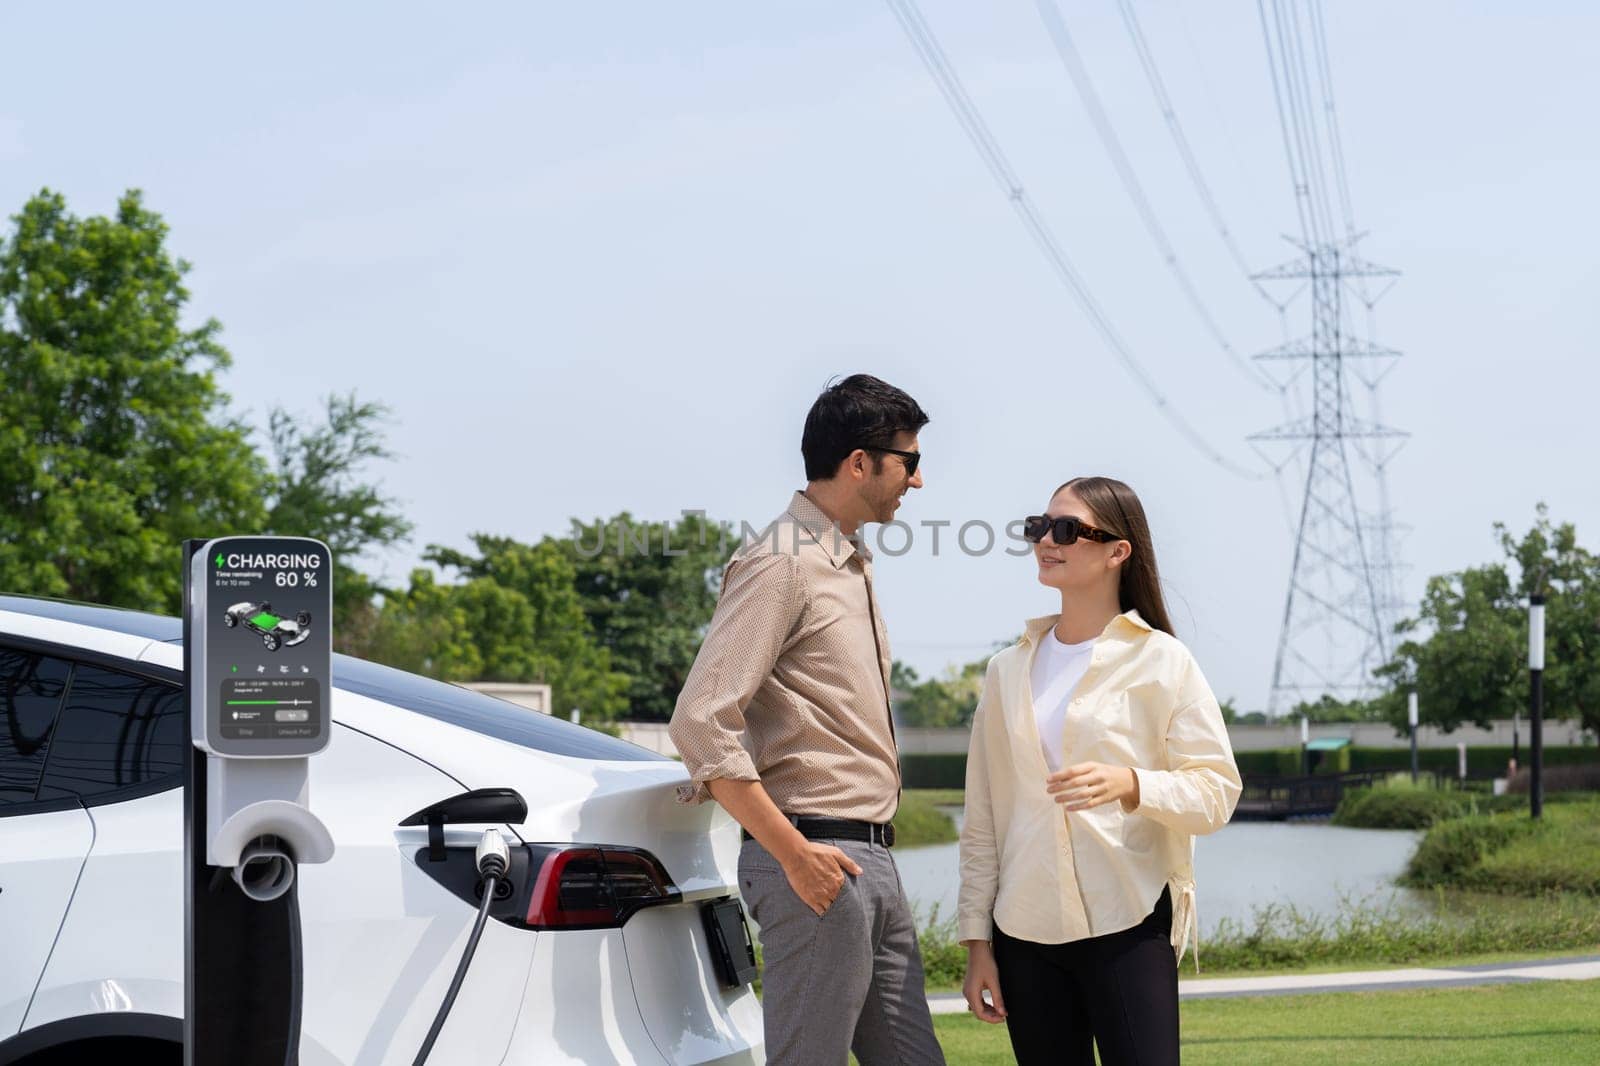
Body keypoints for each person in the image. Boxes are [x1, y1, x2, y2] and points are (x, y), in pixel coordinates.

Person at [669, 374, 946, 1066]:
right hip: (815, 859)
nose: (917, 482)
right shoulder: (782, 564)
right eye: (908, 462)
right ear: (861, 462)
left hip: (870, 860)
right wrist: (796, 856)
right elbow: (701, 720)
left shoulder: (848, 563)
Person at [957, 475, 1241, 1066]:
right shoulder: (1005, 671)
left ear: (1118, 551)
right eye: (1039, 527)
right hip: (1023, 932)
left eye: (1066, 530)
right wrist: (977, 944)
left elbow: (1217, 791)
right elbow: (983, 819)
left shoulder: (1163, 660)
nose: (1046, 541)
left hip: (1129, 920)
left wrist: (1132, 783)